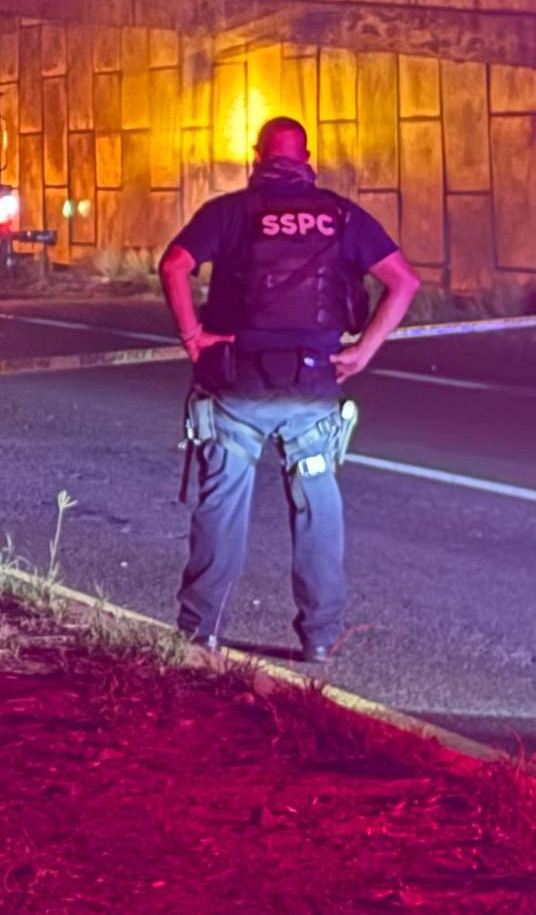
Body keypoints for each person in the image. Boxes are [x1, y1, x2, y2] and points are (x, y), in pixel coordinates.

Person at [157, 115, 419, 663]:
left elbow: (174, 265)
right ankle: (321, 637)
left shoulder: (229, 212)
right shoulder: (342, 215)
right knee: (318, 509)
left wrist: (192, 336)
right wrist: (364, 350)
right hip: (313, 389)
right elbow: (404, 282)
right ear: (306, 160)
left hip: (237, 385)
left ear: (257, 157)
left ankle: (201, 630)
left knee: (221, 507)